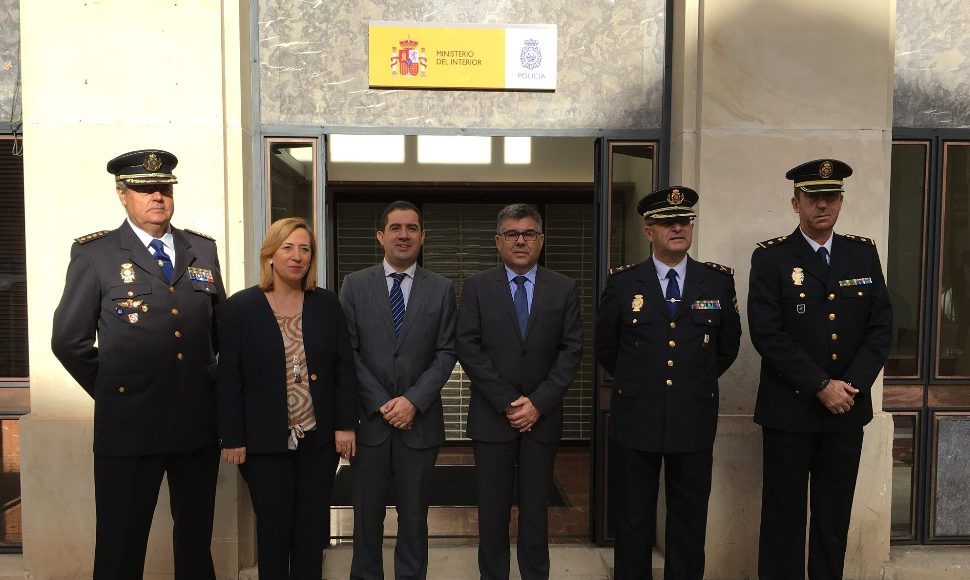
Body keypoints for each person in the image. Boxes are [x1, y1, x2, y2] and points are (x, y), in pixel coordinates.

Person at [51, 149, 226, 579]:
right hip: (130, 423)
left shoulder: (201, 250)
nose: (157, 197)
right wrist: (117, 389)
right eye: (145, 189)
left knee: (195, 542)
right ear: (122, 194)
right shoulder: (97, 254)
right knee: (121, 544)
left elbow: (221, 333)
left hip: (195, 423)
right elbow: (68, 341)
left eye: (164, 188)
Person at [748, 159, 892, 579]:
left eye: (831, 196)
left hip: (846, 410)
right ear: (796, 203)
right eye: (813, 197)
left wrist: (850, 386)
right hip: (789, 411)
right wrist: (820, 385)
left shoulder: (861, 254)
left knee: (833, 518)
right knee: (783, 519)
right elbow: (768, 334)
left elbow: (881, 328)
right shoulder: (772, 257)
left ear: (841, 202)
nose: (823, 205)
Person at [595, 186, 741, 580]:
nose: (678, 228)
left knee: (689, 519)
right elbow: (607, 347)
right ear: (649, 231)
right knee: (633, 518)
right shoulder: (624, 284)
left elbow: (727, 348)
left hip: (693, 417)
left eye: (684, 221)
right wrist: (642, 382)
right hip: (636, 417)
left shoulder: (716, 282)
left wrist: (693, 381)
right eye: (667, 222)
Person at [217, 217, 358, 579]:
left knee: (311, 530)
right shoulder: (241, 307)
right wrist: (232, 437)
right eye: (288, 248)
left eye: (305, 249)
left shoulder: (326, 303)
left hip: (318, 440)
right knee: (274, 529)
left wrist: (345, 425)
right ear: (270, 254)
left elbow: (344, 367)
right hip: (263, 443)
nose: (297, 256)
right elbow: (229, 377)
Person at [456, 203, 583, 580]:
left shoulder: (563, 288)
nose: (520, 241)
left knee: (536, 513)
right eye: (512, 234)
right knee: (492, 514)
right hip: (492, 419)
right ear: (498, 241)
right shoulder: (477, 286)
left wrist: (538, 403)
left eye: (529, 233)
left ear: (541, 240)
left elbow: (571, 350)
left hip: (542, 421)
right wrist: (508, 401)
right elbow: (467, 346)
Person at [339, 201, 457, 580]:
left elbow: (446, 352)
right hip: (369, 425)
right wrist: (382, 403)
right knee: (366, 518)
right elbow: (347, 352)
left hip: (419, 425)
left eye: (411, 228)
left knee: (415, 518)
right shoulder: (355, 285)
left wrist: (412, 401)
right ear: (380, 236)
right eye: (395, 228)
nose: (403, 235)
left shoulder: (442, 289)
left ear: (422, 236)